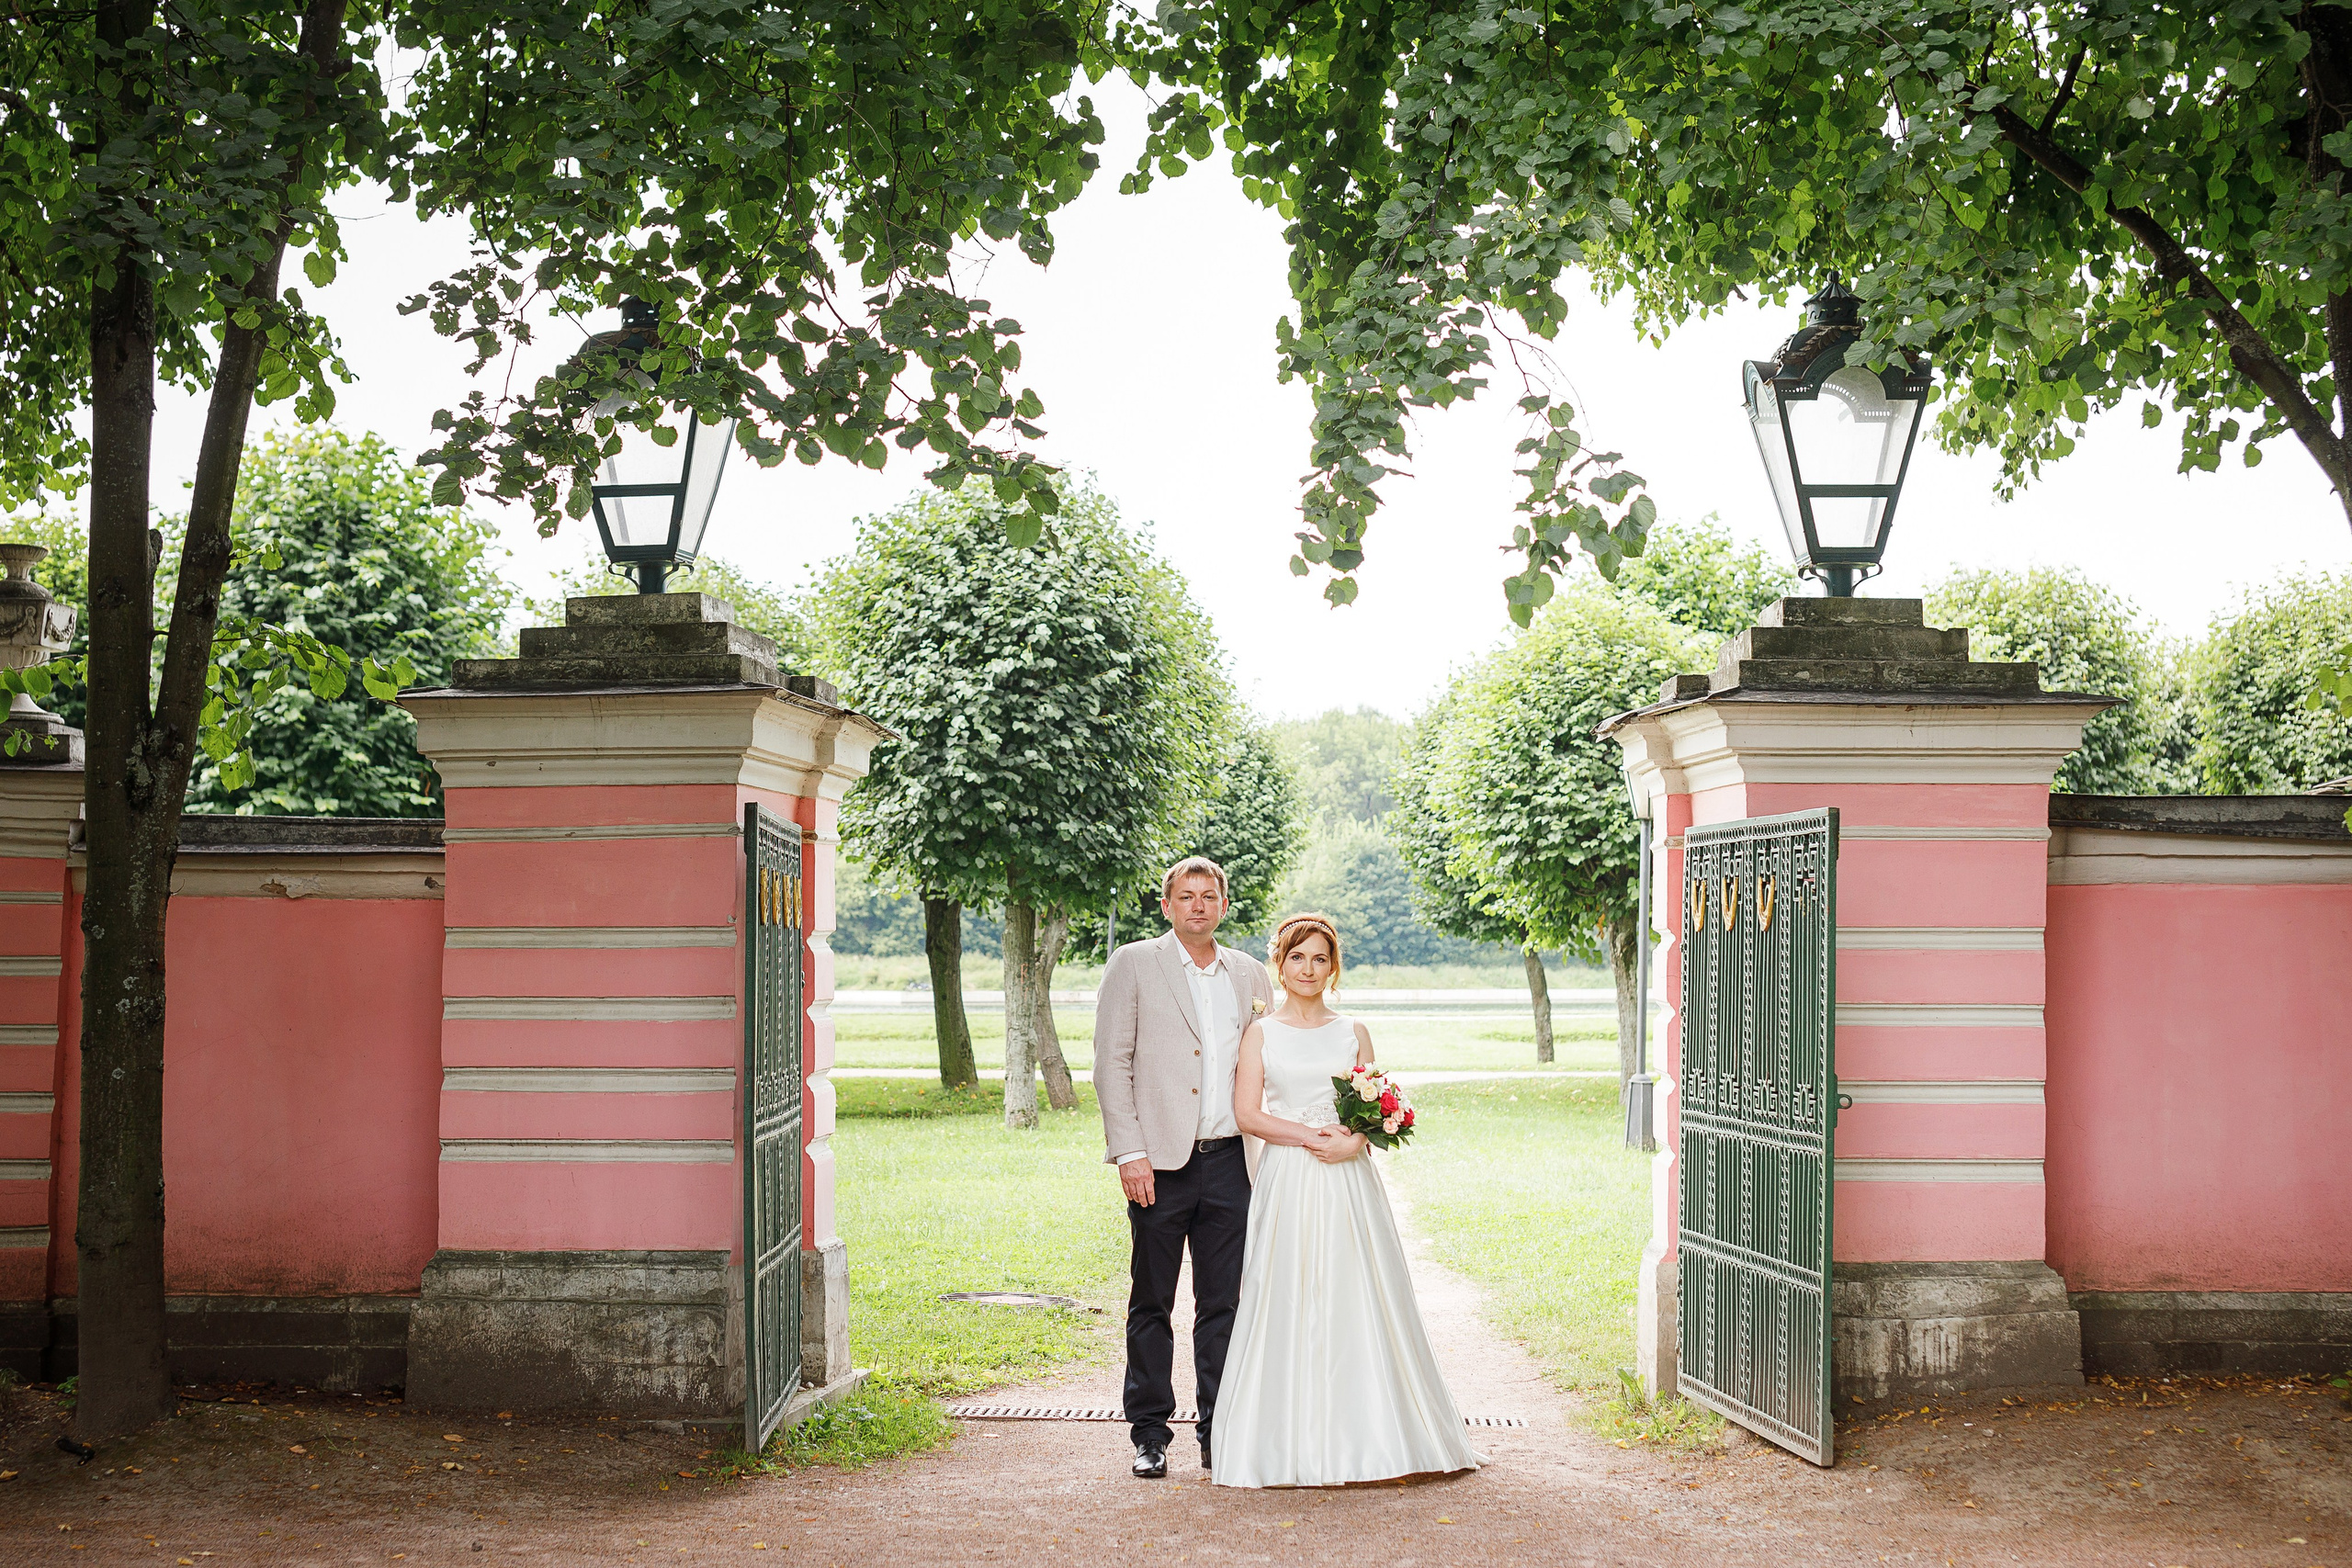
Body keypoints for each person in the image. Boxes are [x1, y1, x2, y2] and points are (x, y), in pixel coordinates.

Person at [1211, 911, 1482, 1488]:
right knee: (1285, 1291)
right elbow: (1247, 1114)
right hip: (1291, 1176)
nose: (1307, 969)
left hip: (1349, 1180)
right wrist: (1312, 1138)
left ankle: (1375, 1434)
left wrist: (1356, 1139)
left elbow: (1377, 1103)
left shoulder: (1352, 1030)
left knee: (1358, 1289)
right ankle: (1283, 1442)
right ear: (1279, 965)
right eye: (1297, 958)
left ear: (1333, 968)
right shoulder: (1261, 1034)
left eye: (1319, 959)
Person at [1093, 855, 1275, 1480]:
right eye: (1186, 895)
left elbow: (1269, 1064)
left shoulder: (1251, 974)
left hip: (1232, 1163)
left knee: (1223, 1303)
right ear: (1166, 905)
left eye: (1209, 895)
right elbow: (1111, 1063)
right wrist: (1130, 1151)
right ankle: (1149, 1432)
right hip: (1159, 1165)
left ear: (1224, 905)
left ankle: (1218, 1429)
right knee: (1151, 1301)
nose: (1198, 905)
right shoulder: (1135, 965)